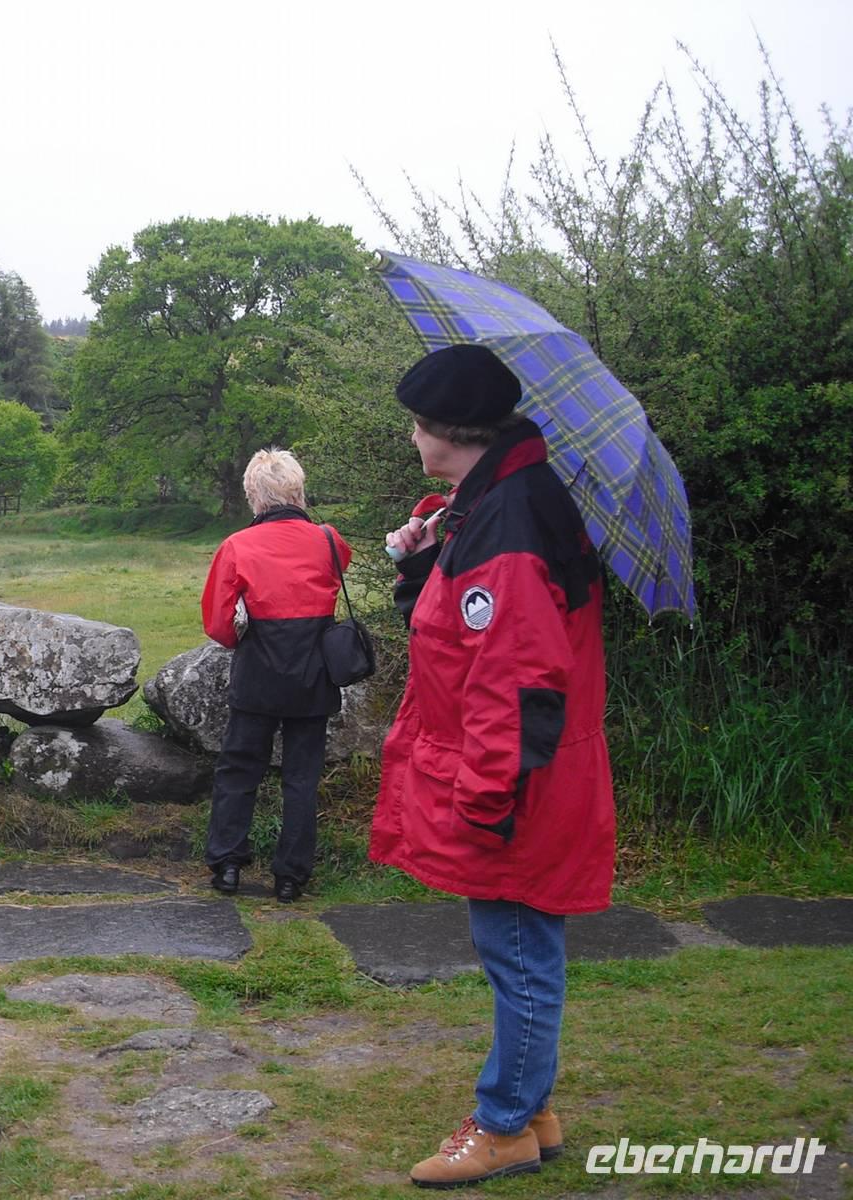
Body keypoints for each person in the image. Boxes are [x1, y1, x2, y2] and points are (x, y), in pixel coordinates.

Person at [370, 344, 615, 1188]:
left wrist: (483, 803)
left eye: (417, 423)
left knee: (515, 944)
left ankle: (506, 1123)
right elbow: (454, 634)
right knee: (520, 940)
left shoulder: (508, 520)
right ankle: (534, 1108)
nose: (411, 436)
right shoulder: (495, 503)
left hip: (516, 784)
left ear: (445, 434)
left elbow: (514, 682)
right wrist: (419, 560)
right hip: (522, 775)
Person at [201, 448, 352, 903]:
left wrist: (241, 637)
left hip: (258, 674)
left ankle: (227, 864)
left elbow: (218, 624)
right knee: (302, 777)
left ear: (254, 495)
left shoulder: (237, 546)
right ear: (298, 490)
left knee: (238, 770)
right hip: (314, 674)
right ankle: (291, 876)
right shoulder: (329, 540)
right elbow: (334, 573)